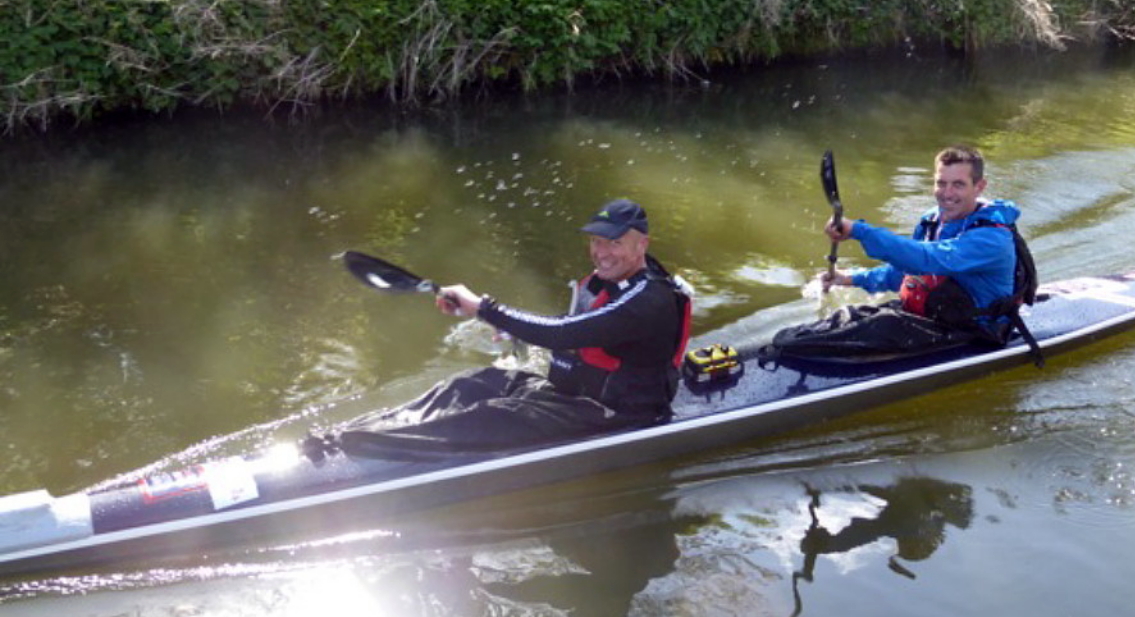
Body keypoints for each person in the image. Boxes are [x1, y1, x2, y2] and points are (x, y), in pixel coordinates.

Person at [324, 199, 692, 458]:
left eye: (614, 242)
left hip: (617, 413)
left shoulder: (648, 300)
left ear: (642, 243)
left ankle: (364, 448)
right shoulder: (605, 281)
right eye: (596, 240)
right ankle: (347, 435)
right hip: (571, 394)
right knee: (470, 384)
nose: (601, 252)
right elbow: (578, 334)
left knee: (492, 416)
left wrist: (484, 308)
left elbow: (562, 333)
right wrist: (502, 323)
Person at [768, 145, 1028, 359]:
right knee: (847, 318)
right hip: (933, 316)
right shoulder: (932, 220)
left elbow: (927, 260)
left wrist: (859, 230)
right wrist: (850, 279)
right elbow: (906, 272)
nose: (947, 194)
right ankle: (782, 349)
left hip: (976, 331)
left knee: (878, 327)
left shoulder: (992, 238)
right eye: (941, 183)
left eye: (958, 184)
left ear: (979, 186)